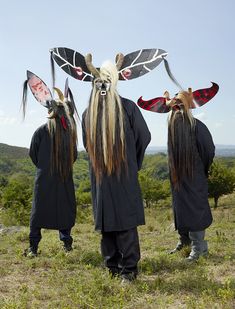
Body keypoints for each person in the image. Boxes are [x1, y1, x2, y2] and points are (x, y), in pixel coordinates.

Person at [50, 47, 167, 279]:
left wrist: (129, 163)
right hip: (111, 175)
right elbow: (140, 138)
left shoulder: (109, 110)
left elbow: (139, 138)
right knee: (114, 223)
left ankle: (122, 269)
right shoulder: (104, 111)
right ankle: (119, 269)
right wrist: (131, 163)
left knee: (116, 222)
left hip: (111, 175)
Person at [138, 81, 219, 261]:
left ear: (188, 107)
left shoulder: (197, 126)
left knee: (195, 209)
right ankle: (184, 241)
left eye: (180, 106)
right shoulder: (172, 128)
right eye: (174, 107)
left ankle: (200, 248)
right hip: (178, 177)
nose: (177, 110)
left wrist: (201, 170)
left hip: (194, 175)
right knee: (181, 208)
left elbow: (208, 150)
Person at [22, 71, 78, 257]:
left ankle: (33, 248)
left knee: (38, 213)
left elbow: (33, 154)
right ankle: (66, 244)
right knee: (63, 211)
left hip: (44, 178)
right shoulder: (69, 134)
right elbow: (74, 157)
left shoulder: (40, 131)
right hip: (63, 177)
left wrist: (44, 167)